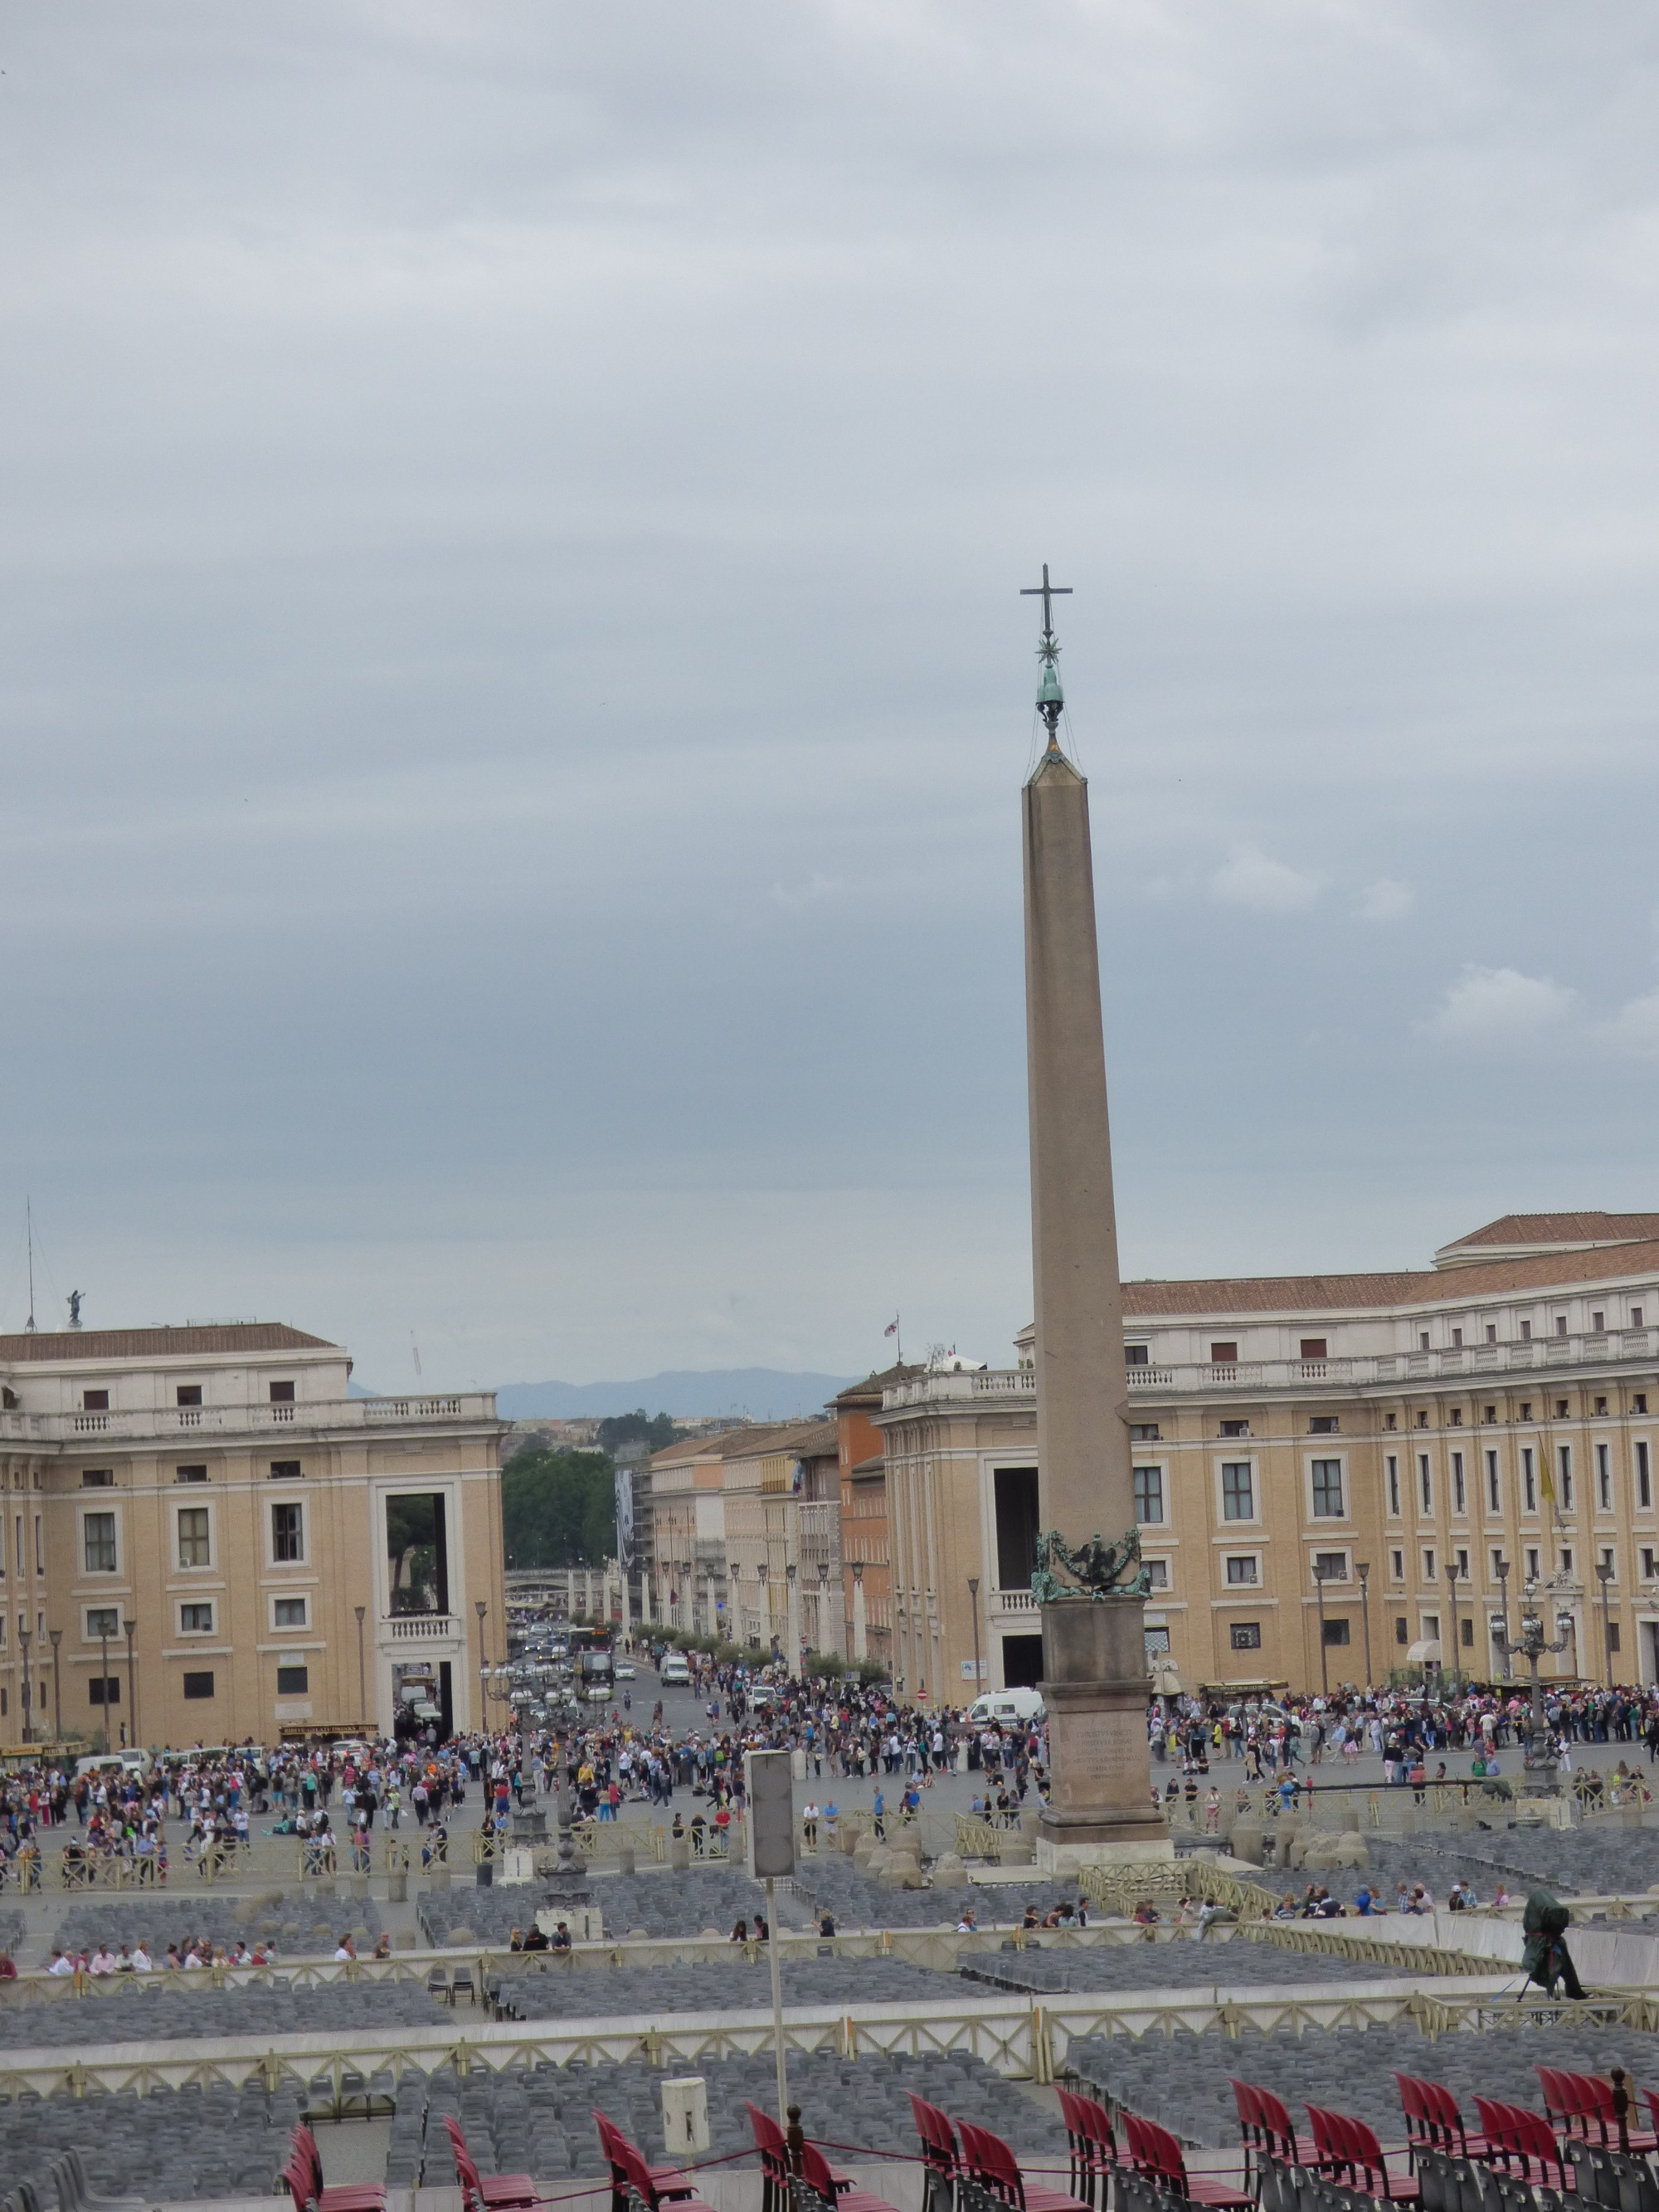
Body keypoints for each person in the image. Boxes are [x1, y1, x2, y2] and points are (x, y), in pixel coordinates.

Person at [1522, 1888, 1586, 2000]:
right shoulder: (1548, 1940)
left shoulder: (1557, 1942)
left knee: (1561, 1966)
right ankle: (1569, 1992)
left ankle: (1568, 1992)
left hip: (1550, 1947)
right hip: (1546, 1947)